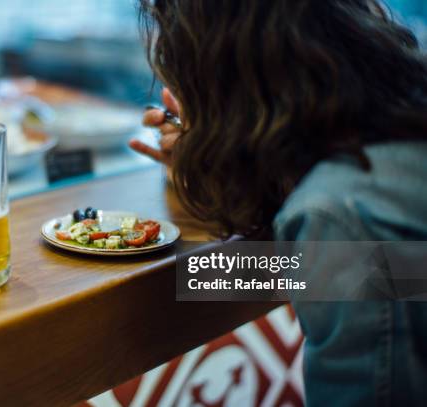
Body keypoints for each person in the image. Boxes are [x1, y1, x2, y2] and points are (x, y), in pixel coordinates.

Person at [129, 1, 427, 405]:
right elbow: (371, 272)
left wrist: (175, 284)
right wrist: (220, 164)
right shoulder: (390, 133)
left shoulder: (337, 215)